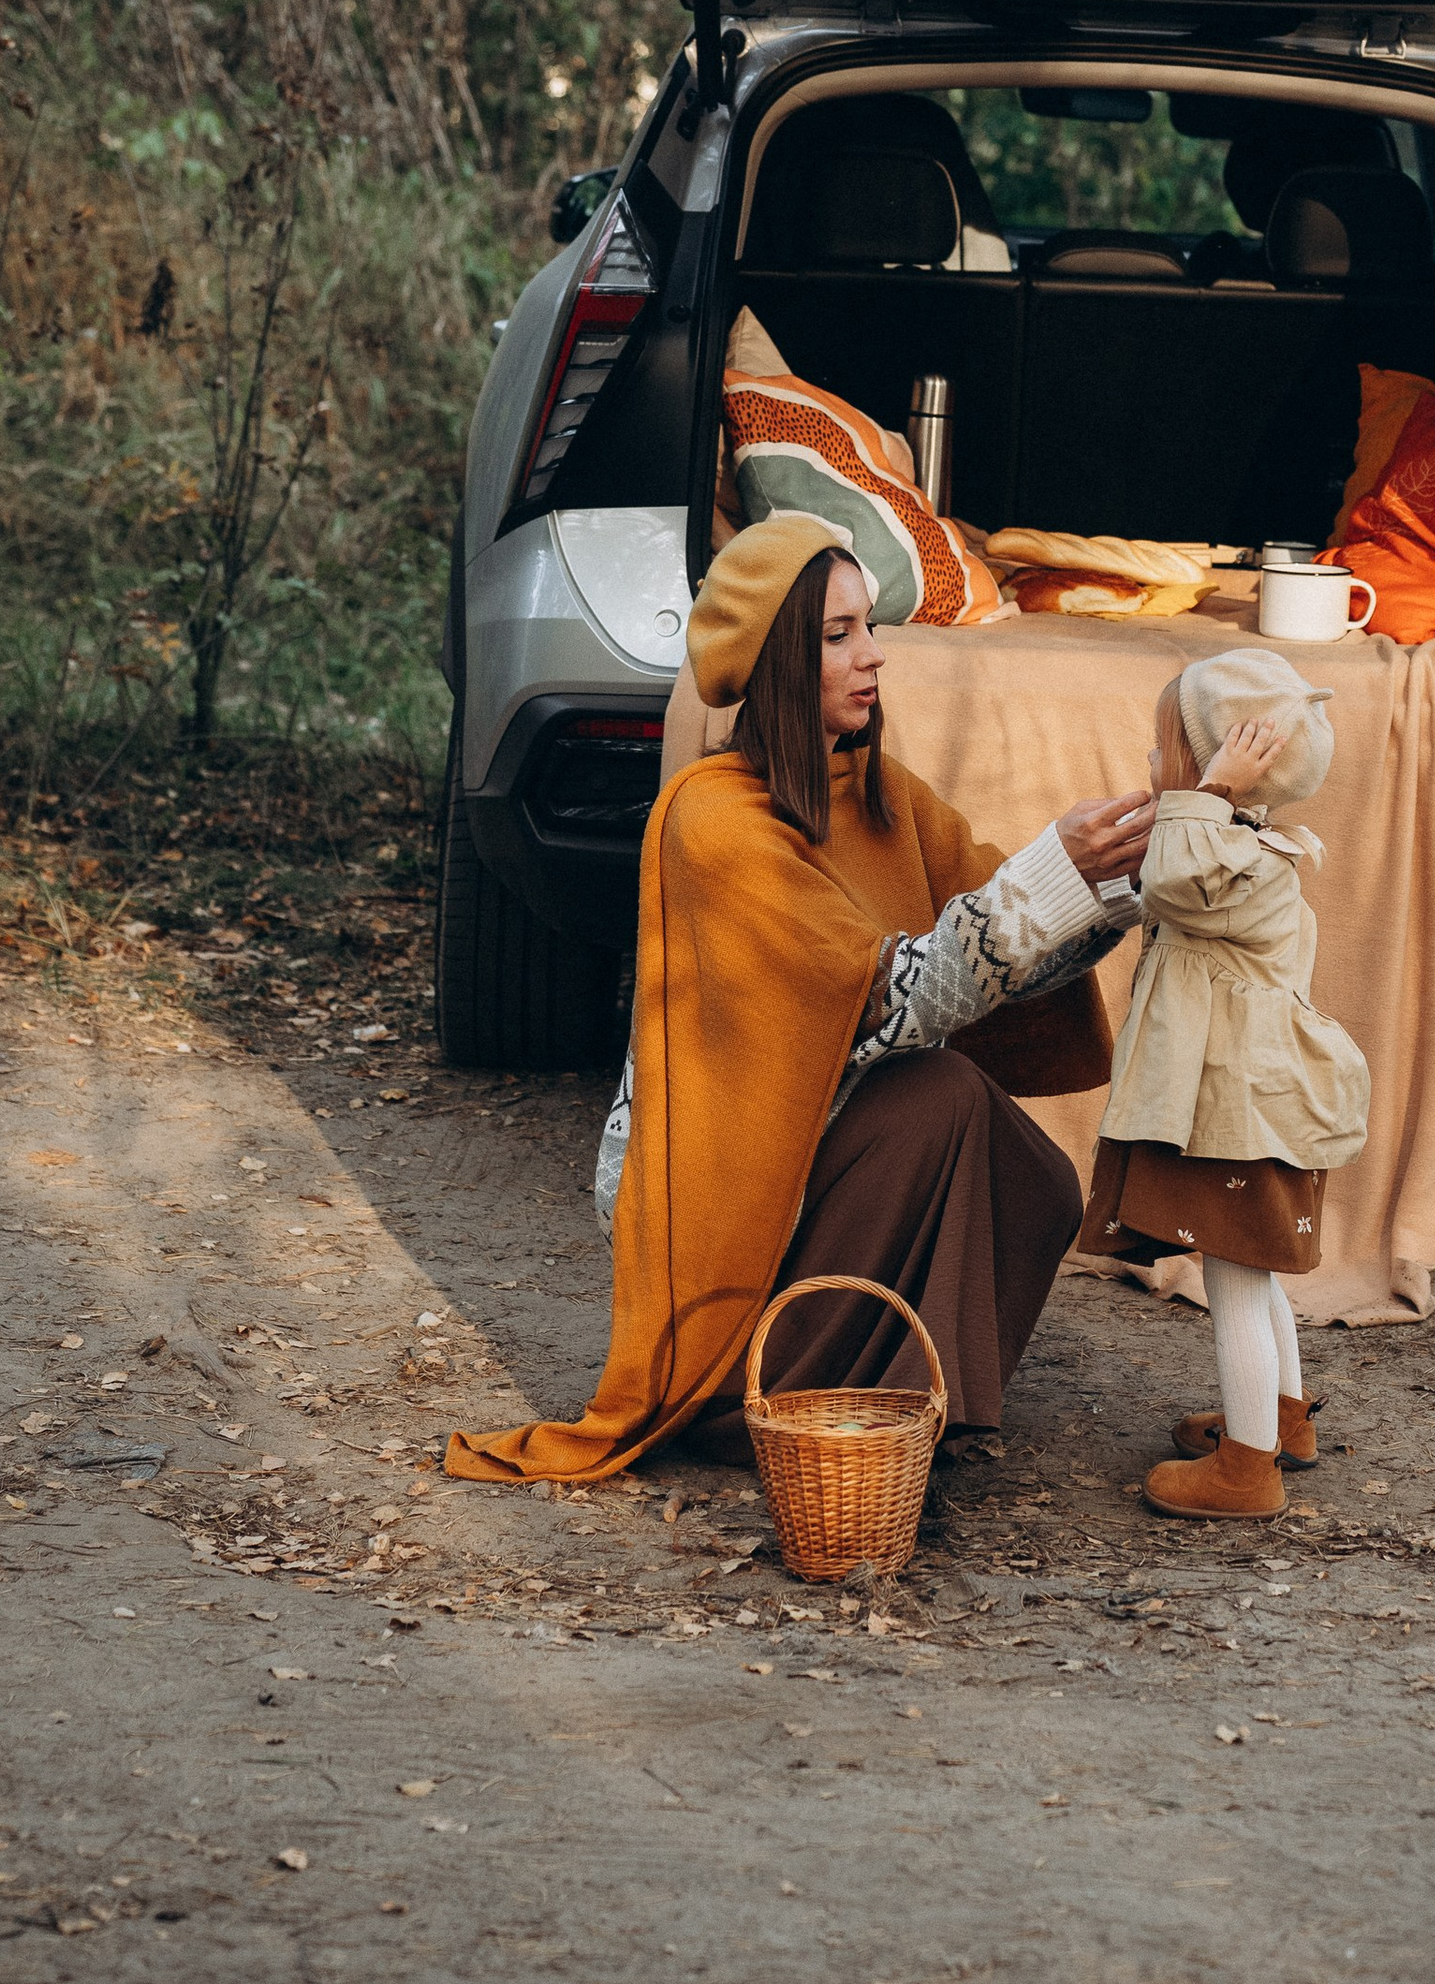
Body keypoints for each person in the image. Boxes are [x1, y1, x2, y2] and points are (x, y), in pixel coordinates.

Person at [445, 513, 1154, 1486]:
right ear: (777, 656)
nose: (873, 656)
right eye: (837, 636)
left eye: (868, 626)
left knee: (1034, 1177)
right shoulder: (711, 818)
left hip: (815, 1137)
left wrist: (1118, 880)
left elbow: (1006, 937)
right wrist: (1052, 875)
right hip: (719, 1212)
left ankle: (897, 1413)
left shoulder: (878, 793)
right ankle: (759, 1402)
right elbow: (892, 1003)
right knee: (940, 1095)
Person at [1079, 648, 1371, 1521]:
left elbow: (1171, 876)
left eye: (1170, 749)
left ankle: (1247, 1469)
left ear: (1235, 767)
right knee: (1253, 1273)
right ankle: (1281, 1419)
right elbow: (1165, 881)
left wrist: (1205, 789)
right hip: (1245, 1113)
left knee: (1237, 1282)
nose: (1153, 765)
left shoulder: (1228, 863)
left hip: (1241, 1121)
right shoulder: (1231, 852)